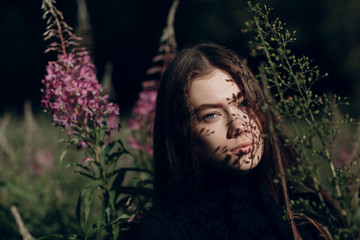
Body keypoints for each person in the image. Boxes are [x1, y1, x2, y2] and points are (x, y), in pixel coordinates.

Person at [137, 43, 326, 240]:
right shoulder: (164, 231)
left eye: (244, 103)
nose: (238, 125)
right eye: (211, 114)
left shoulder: (304, 210)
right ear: (181, 133)